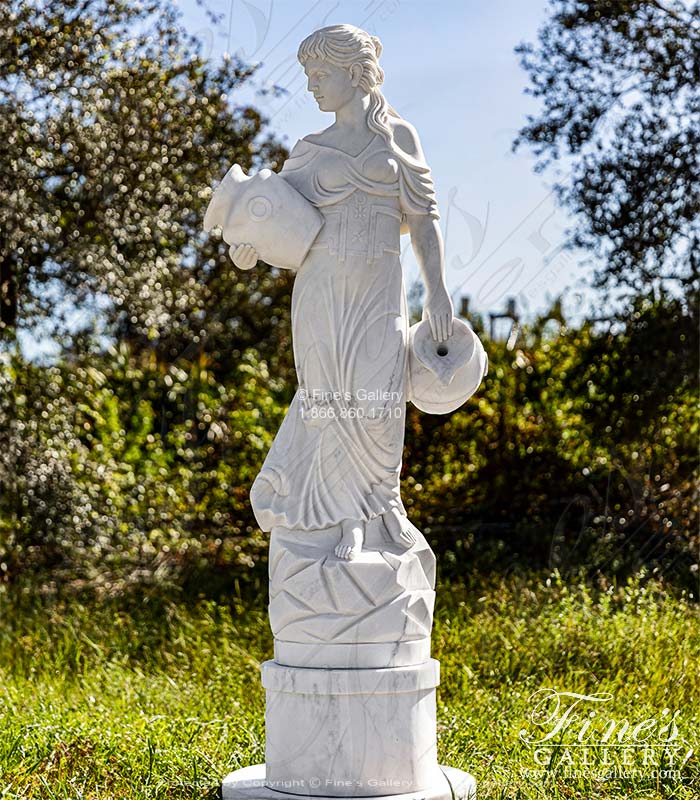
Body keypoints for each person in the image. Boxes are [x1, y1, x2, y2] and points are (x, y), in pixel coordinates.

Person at [230, 24, 453, 560]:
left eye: (321, 74)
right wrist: (249, 248)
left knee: (380, 397)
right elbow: (278, 219)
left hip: (380, 287)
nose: (312, 86)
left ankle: (385, 504)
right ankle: (346, 517)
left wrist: (438, 293)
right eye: (309, 75)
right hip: (321, 291)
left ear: (355, 73)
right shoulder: (309, 151)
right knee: (329, 400)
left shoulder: (399, 138)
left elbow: (423, 220)